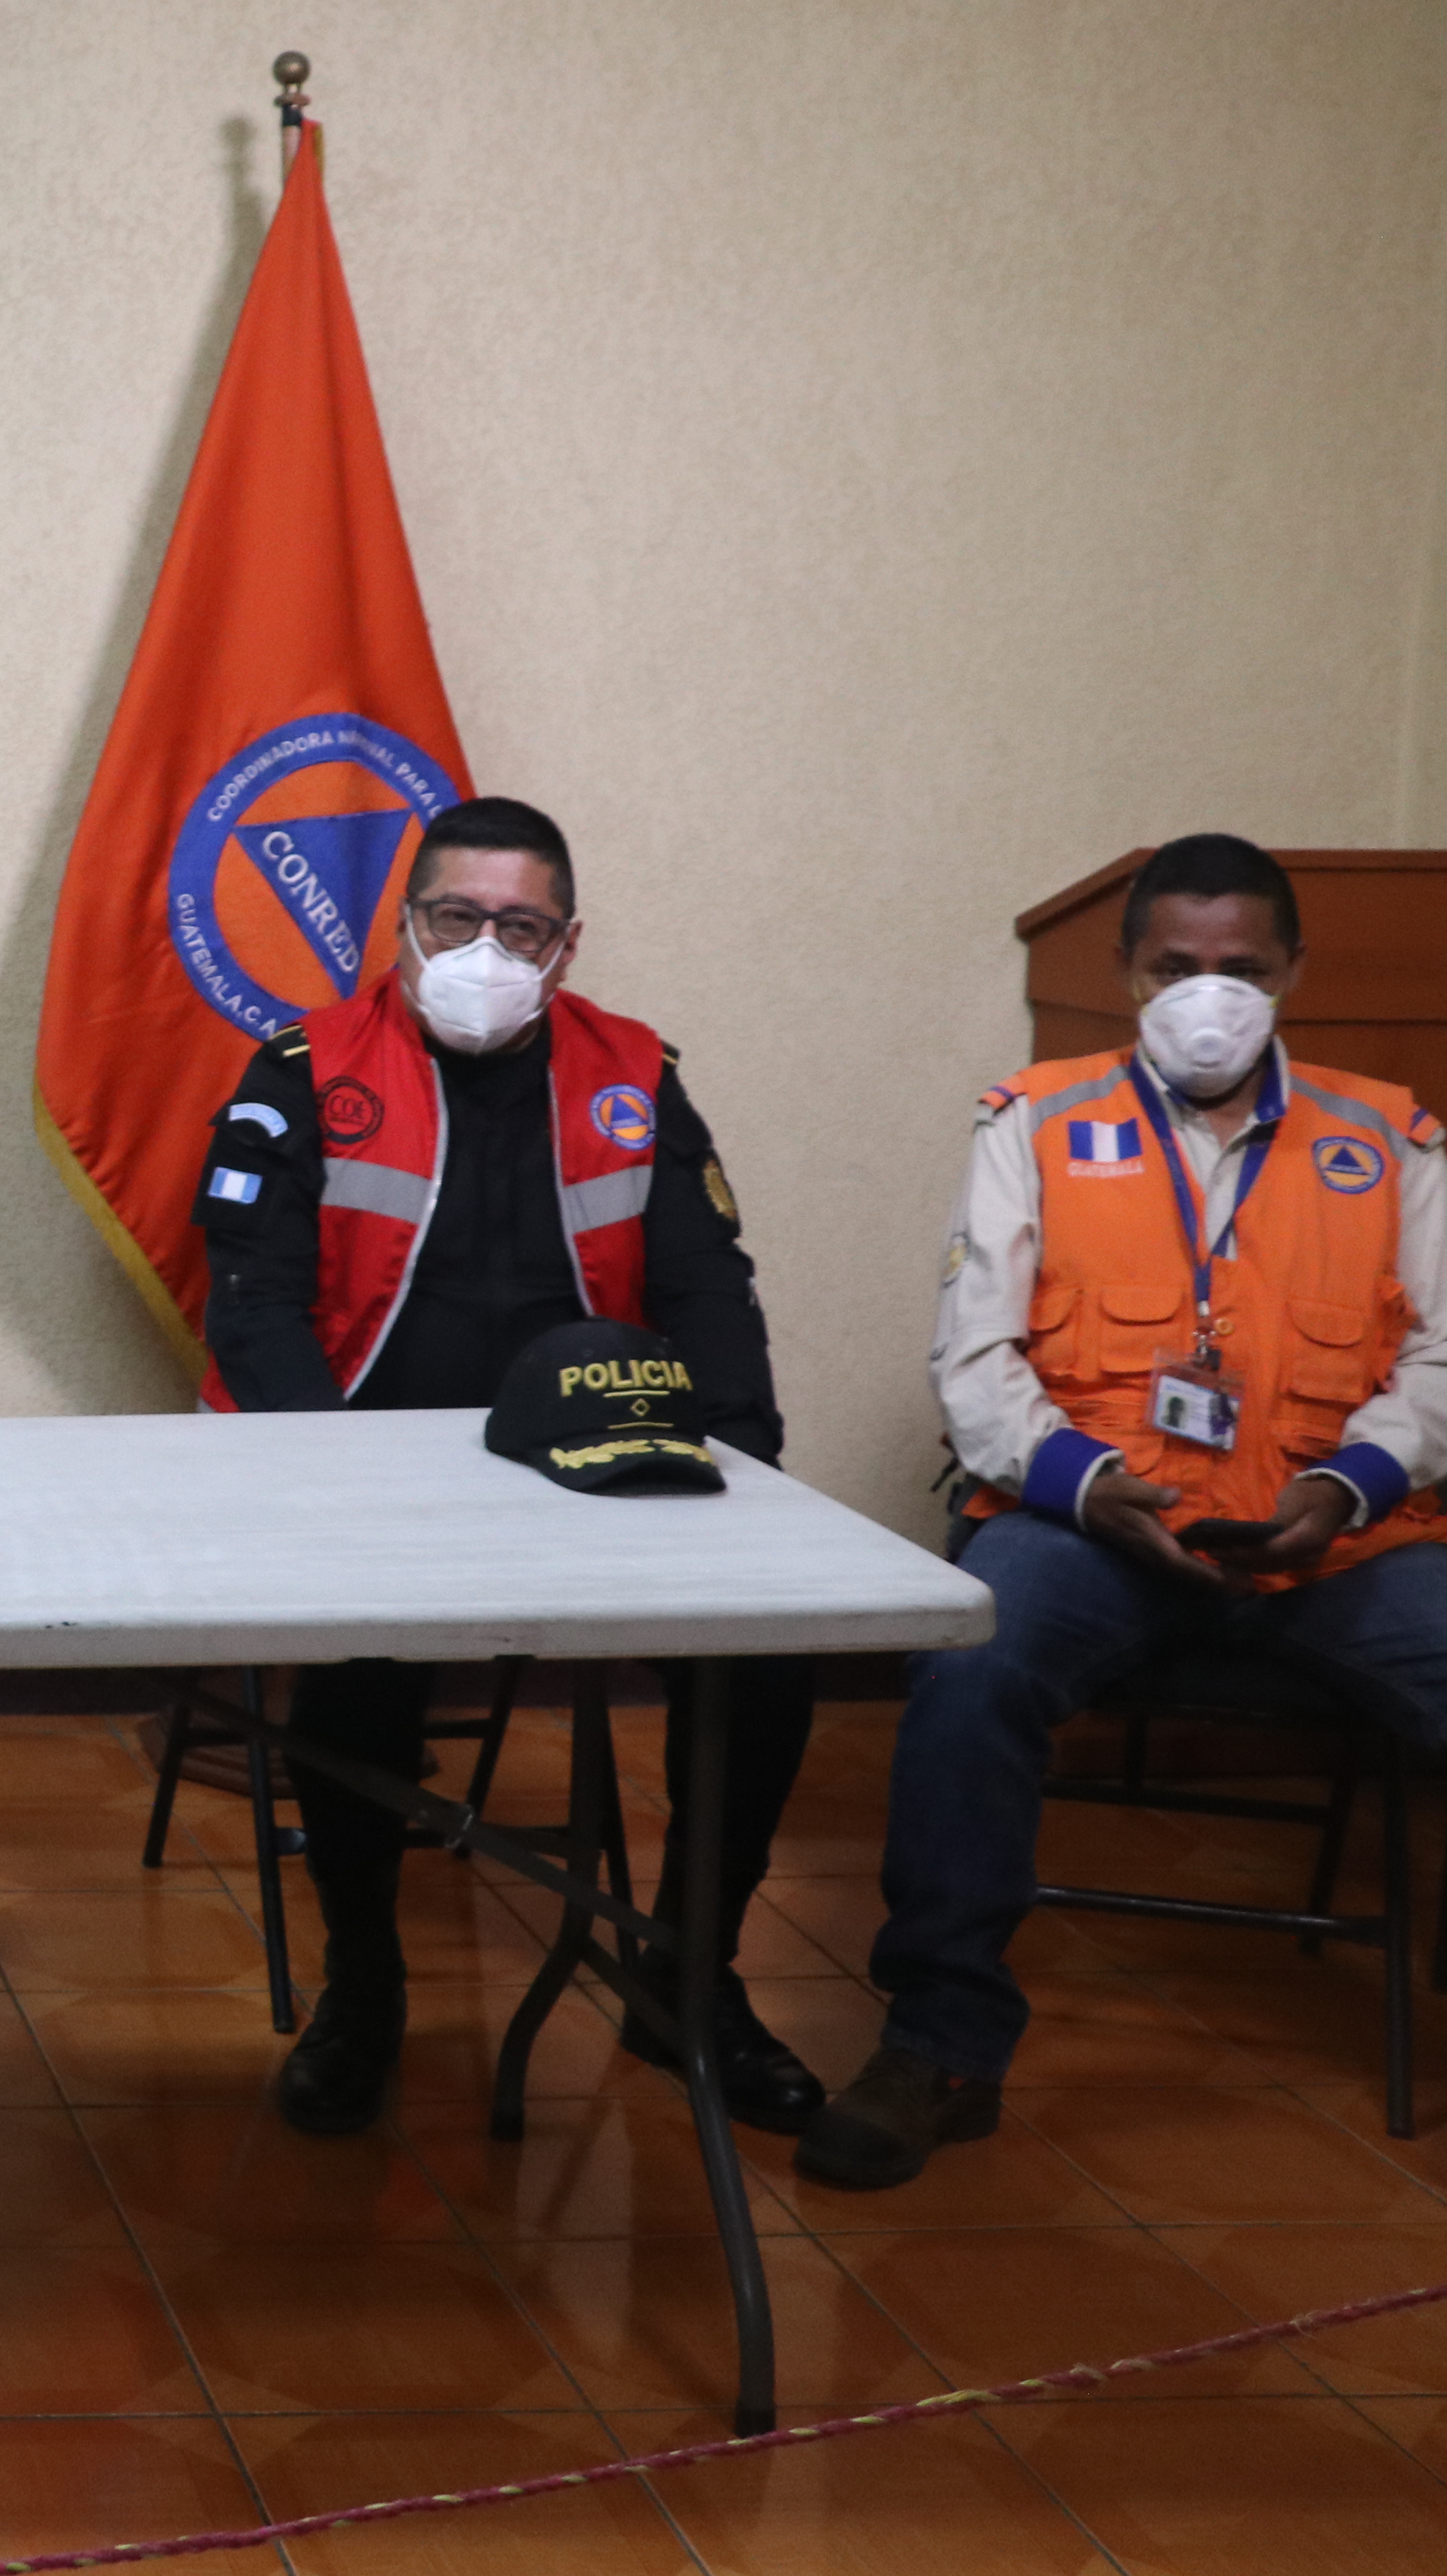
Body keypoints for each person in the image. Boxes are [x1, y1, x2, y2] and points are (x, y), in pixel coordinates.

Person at [801, 834, 1447, 2189]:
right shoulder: (1032, 1118)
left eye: (1241, 967)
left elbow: (1444, 1358)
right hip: (1093, 1525)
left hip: (1336, 1540)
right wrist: (1088, 1486)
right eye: (1175, 965)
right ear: (1124, 969)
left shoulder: (1392, 1135)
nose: (1207, 992)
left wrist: (1346, 1486)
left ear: (1293, 972)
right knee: (971, 1660)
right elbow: (974, 1357)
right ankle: (942, 2040)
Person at [195, 794, 819, 2138]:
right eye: (456, 917)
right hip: (368, 1467)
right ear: (404, 925)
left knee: (775, 1656)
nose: (486, 946)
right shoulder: (300, 1066)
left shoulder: (635, 1073)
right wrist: (337, 1477)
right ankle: (366, 1979)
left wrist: (748, 1463)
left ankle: (687, 1972)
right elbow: (250, 1302)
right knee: (356, 1675)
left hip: (593, 1464)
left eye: (520, 925)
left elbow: (709, 1282)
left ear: (567, 942)